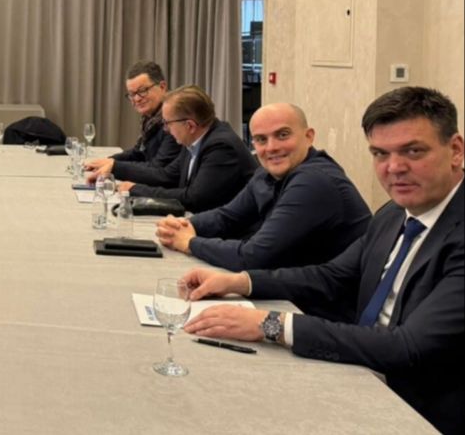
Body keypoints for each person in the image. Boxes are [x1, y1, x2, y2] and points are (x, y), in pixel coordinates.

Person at [181, 87, 463, 434]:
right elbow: (331, 276)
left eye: (413, 151)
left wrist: (271, 325)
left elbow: (408, 347)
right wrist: (241, 282)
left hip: (422, 409)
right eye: (380, 153)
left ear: (455, 150)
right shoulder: (394, 213)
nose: (394, 168)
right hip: (359, 370)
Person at [155, 103, 371, 276]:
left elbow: (253, 257)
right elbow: (227, 217)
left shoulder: (313, 181)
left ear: (309, 136)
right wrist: (184, 225)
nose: (271, 147)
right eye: (261, 139)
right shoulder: (268, 172)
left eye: (283, 135)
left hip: (327, 306)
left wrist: (190, 242)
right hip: (290, 287)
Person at [121, 85, 257, 213]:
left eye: (167, 123)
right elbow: (167, 176)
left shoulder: (221, 148)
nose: (165, 129)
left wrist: (136, 190)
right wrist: (125, 178)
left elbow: (194, 199)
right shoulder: (194, 140)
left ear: (190, 126)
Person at [85, 61, 181, 184]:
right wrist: (108, 161)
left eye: (142, 91)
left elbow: (158, 168)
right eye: (132, 94)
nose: (136, 98)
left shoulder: (175, 119)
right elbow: (138, 153)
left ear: (162, 87)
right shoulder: (150, 118)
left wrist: (114, 167)